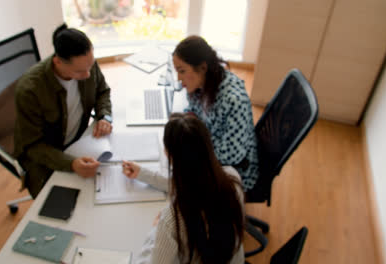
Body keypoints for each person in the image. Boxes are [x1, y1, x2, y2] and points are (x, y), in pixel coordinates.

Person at [122, 113, 245, 264]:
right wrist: (143, 174)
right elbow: (193, 183)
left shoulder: (172, 220)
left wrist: (154, 232)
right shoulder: (233, 178)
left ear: (170, 155)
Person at [13, 24, 113, 198]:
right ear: (57, 61)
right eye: (81, 71)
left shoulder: (86, 64)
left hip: (79, 142)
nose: (88, 75)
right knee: (64, 206)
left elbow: (102, 91)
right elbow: (32, 146)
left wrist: (104, 116)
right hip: (45, 157)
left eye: (90, 66)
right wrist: (71, 164)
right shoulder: (30, 90)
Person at [173, 35, 259, 191]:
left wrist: (191, 151)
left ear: (203, 68)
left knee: (180, 186)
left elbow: (233, 156)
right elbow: (192, 111)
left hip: (235, 172)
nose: (179, 78)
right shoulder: (200, 85)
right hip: (209, 149)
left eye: (182, 71)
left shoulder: (233, 101)